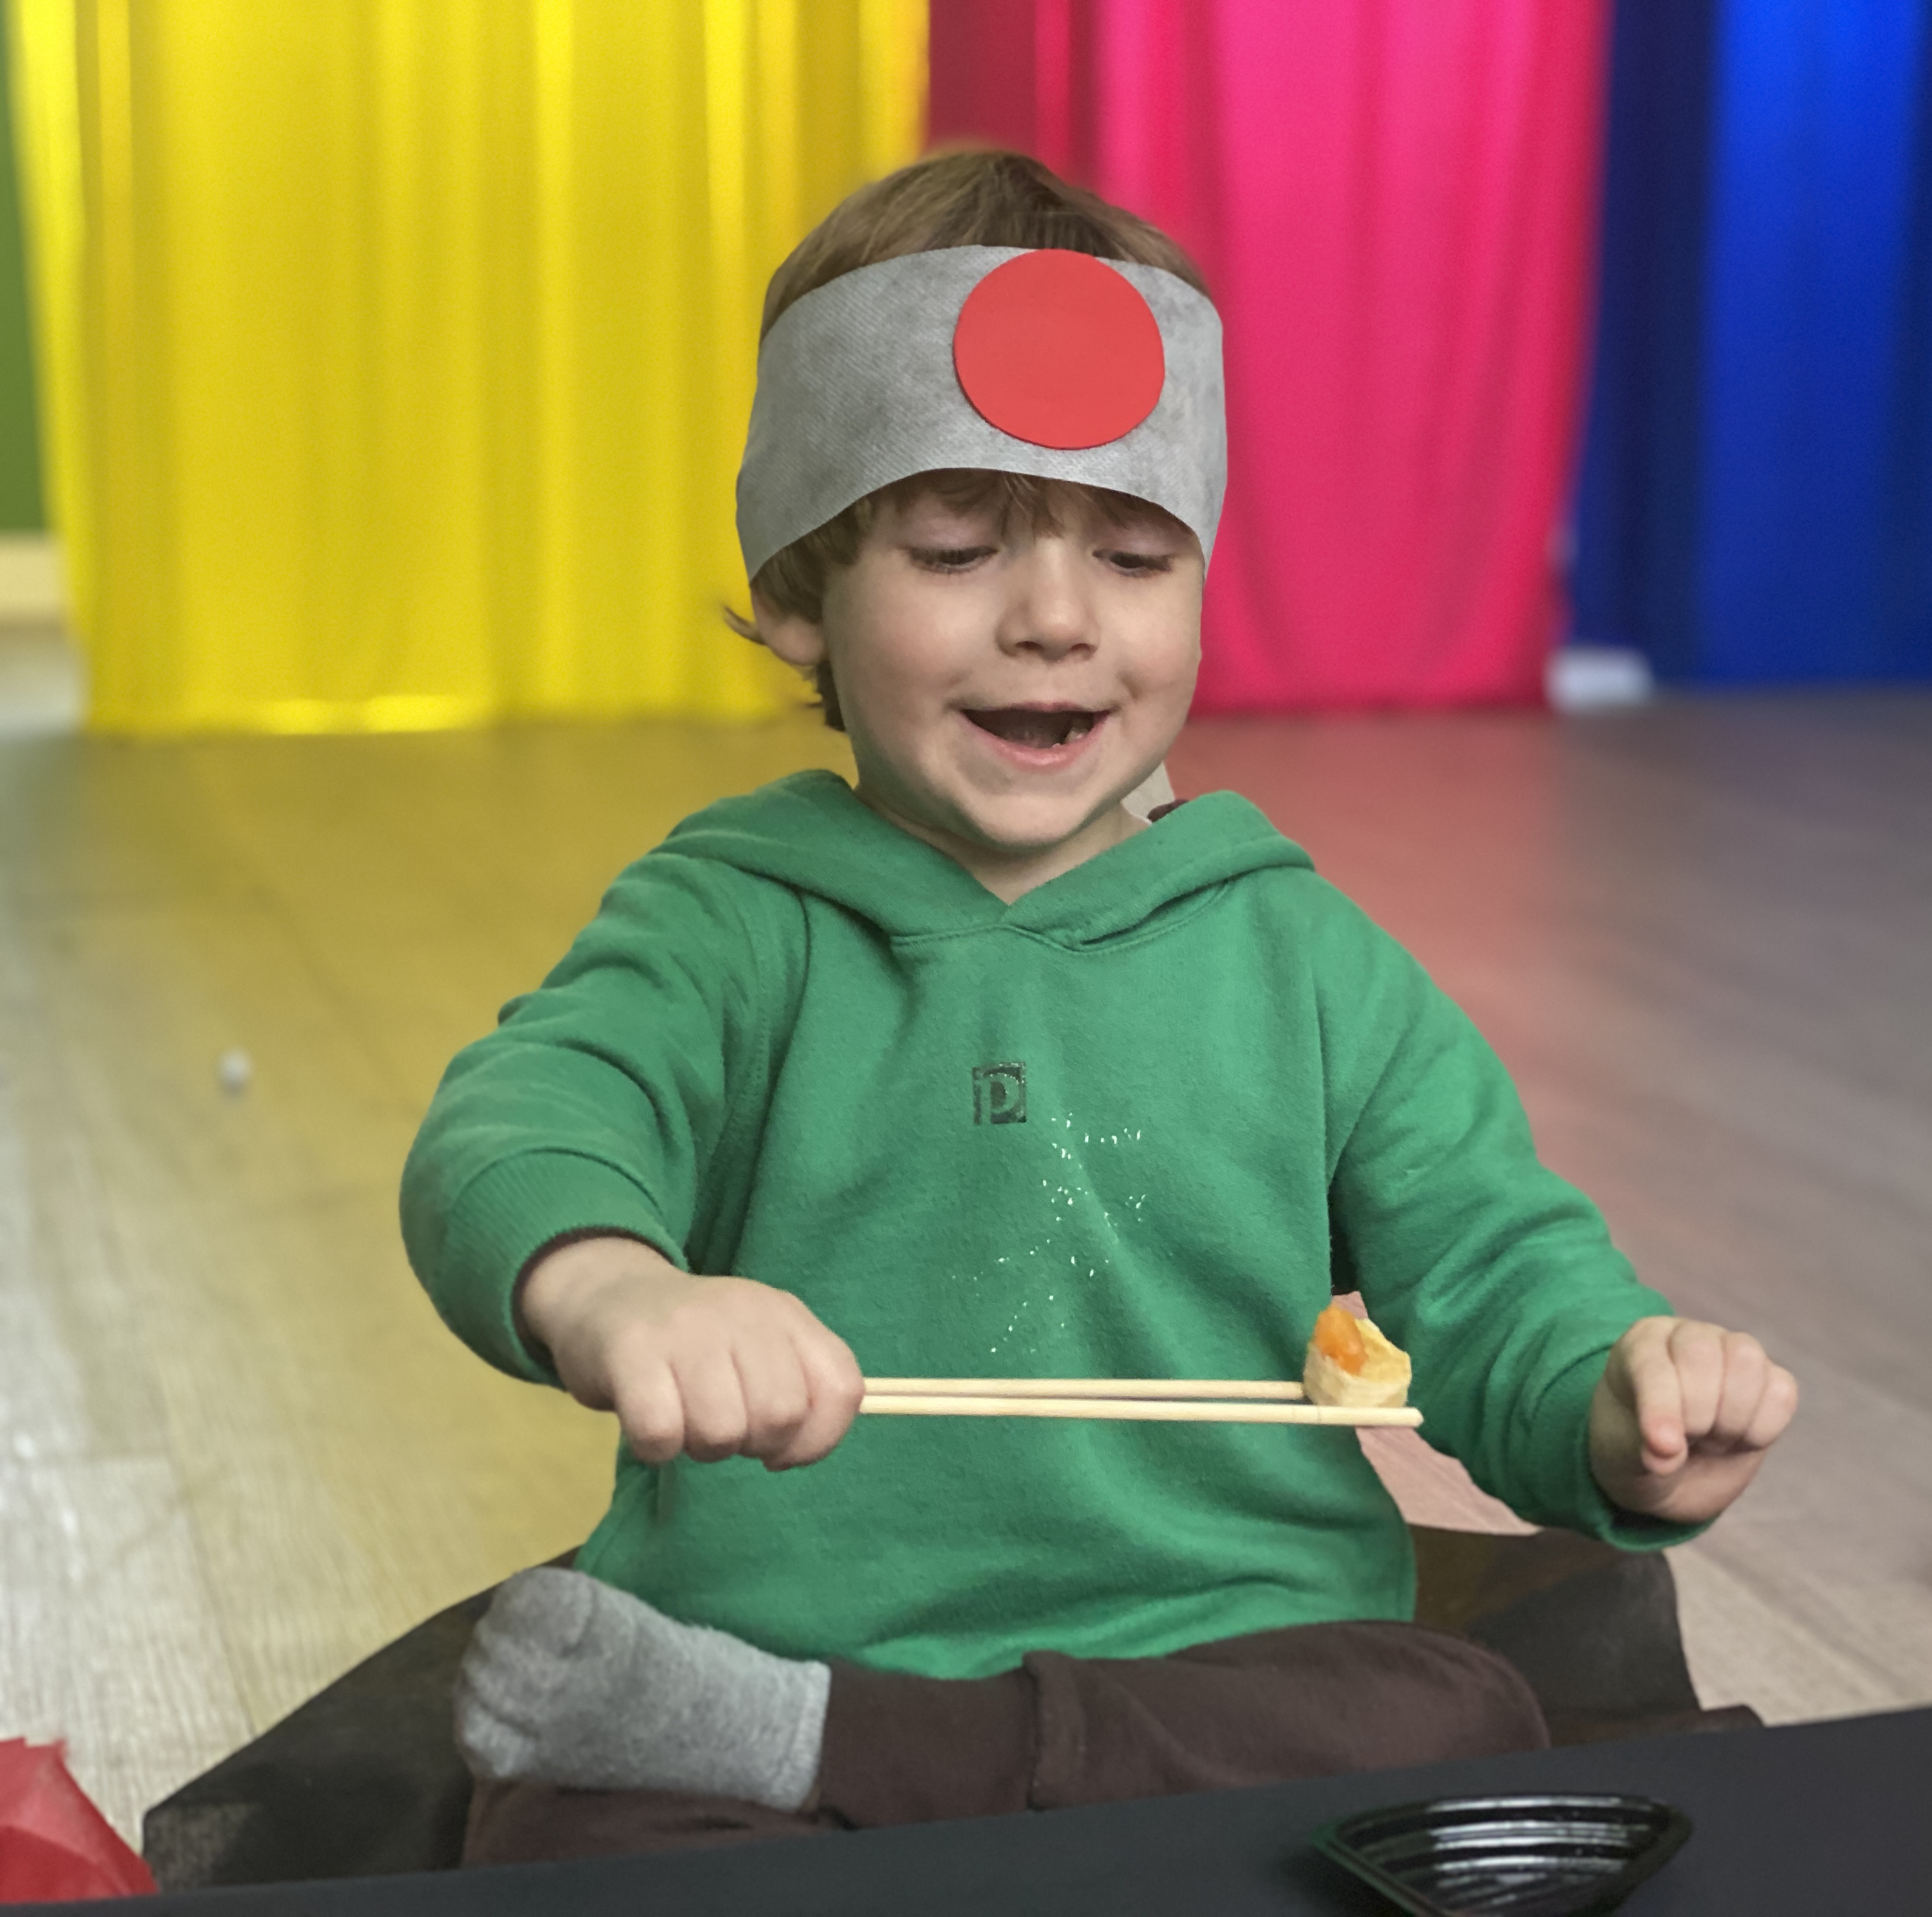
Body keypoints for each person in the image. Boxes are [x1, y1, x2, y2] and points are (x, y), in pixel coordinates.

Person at [400, 148, 1799, 1866]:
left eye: (1133, 556)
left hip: (1216, 1669)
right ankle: (831, 1747)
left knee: (1451, 1716)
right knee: (566, 1823)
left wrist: (1616, 1401)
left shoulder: (1302, 956)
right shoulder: (727, 922)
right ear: (795, 597)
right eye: (956, 548)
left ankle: (858, 1764)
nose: (1056, 620)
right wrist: (616, 1290)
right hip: (775, 1647)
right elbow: (523, 1122)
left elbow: (1497, 1265)